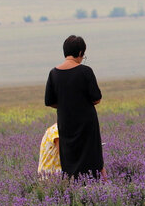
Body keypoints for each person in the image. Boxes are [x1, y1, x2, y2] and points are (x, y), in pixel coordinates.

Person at [44, 35, 104, 179]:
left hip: (66, 122)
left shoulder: (54, 73)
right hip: (86, 123)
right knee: (91, 158)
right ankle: (93, 187)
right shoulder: (85, 71)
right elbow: (96, 99)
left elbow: (49, 101)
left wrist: (66, 104)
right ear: (80, 53)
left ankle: (73, 187)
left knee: (69, 157)